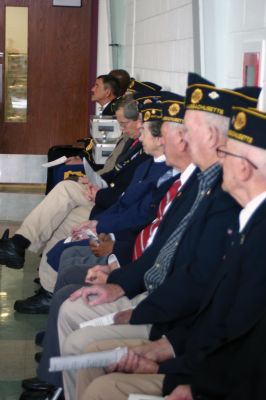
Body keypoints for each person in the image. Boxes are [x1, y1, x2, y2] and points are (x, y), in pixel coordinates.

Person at [56, 74, 259, 400]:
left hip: (189, 346)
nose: (175, 142)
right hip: (178, 331)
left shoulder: (230, 208)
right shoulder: (202, 186)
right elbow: (163, 251)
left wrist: (174, 358)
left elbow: (203, 290)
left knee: (90, 359)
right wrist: (119, 283)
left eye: (229, 150)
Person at [0, 93, 149, 313]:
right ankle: (45, 281)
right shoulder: (131, 140)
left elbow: (128, 194)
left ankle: (21, 244)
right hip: (104, 195)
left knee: (65, 195)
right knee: (64, 211)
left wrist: (97, 193)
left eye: (125, 124)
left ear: (141, 122)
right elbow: (112, 172)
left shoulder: (148, 154)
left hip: (110, 206)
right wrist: (92, 178)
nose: (122, 128)